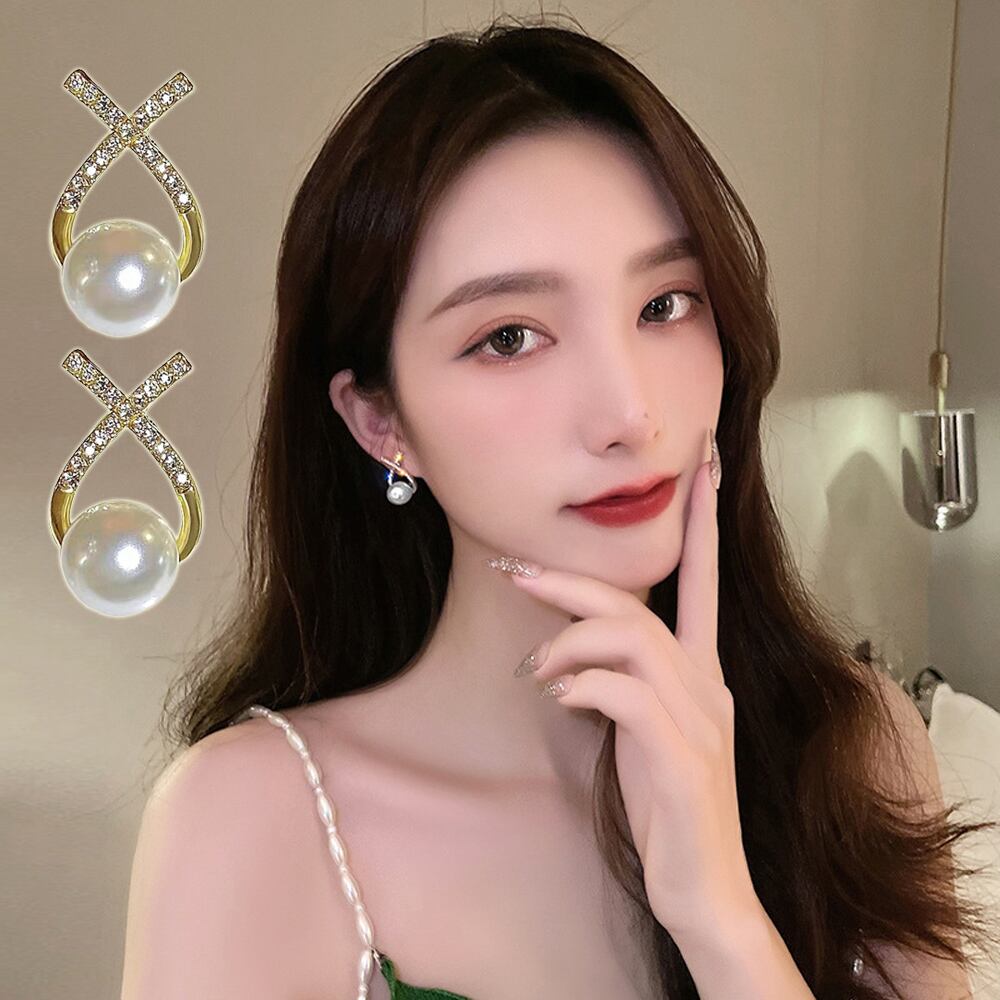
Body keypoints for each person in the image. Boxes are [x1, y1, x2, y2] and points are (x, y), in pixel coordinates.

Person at [119, 13, 995, 1000]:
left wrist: (718, 913)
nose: (629, 414)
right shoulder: (250, 817)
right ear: (379, 419)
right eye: (508, 337)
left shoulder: (857, 744)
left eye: (665, 304)